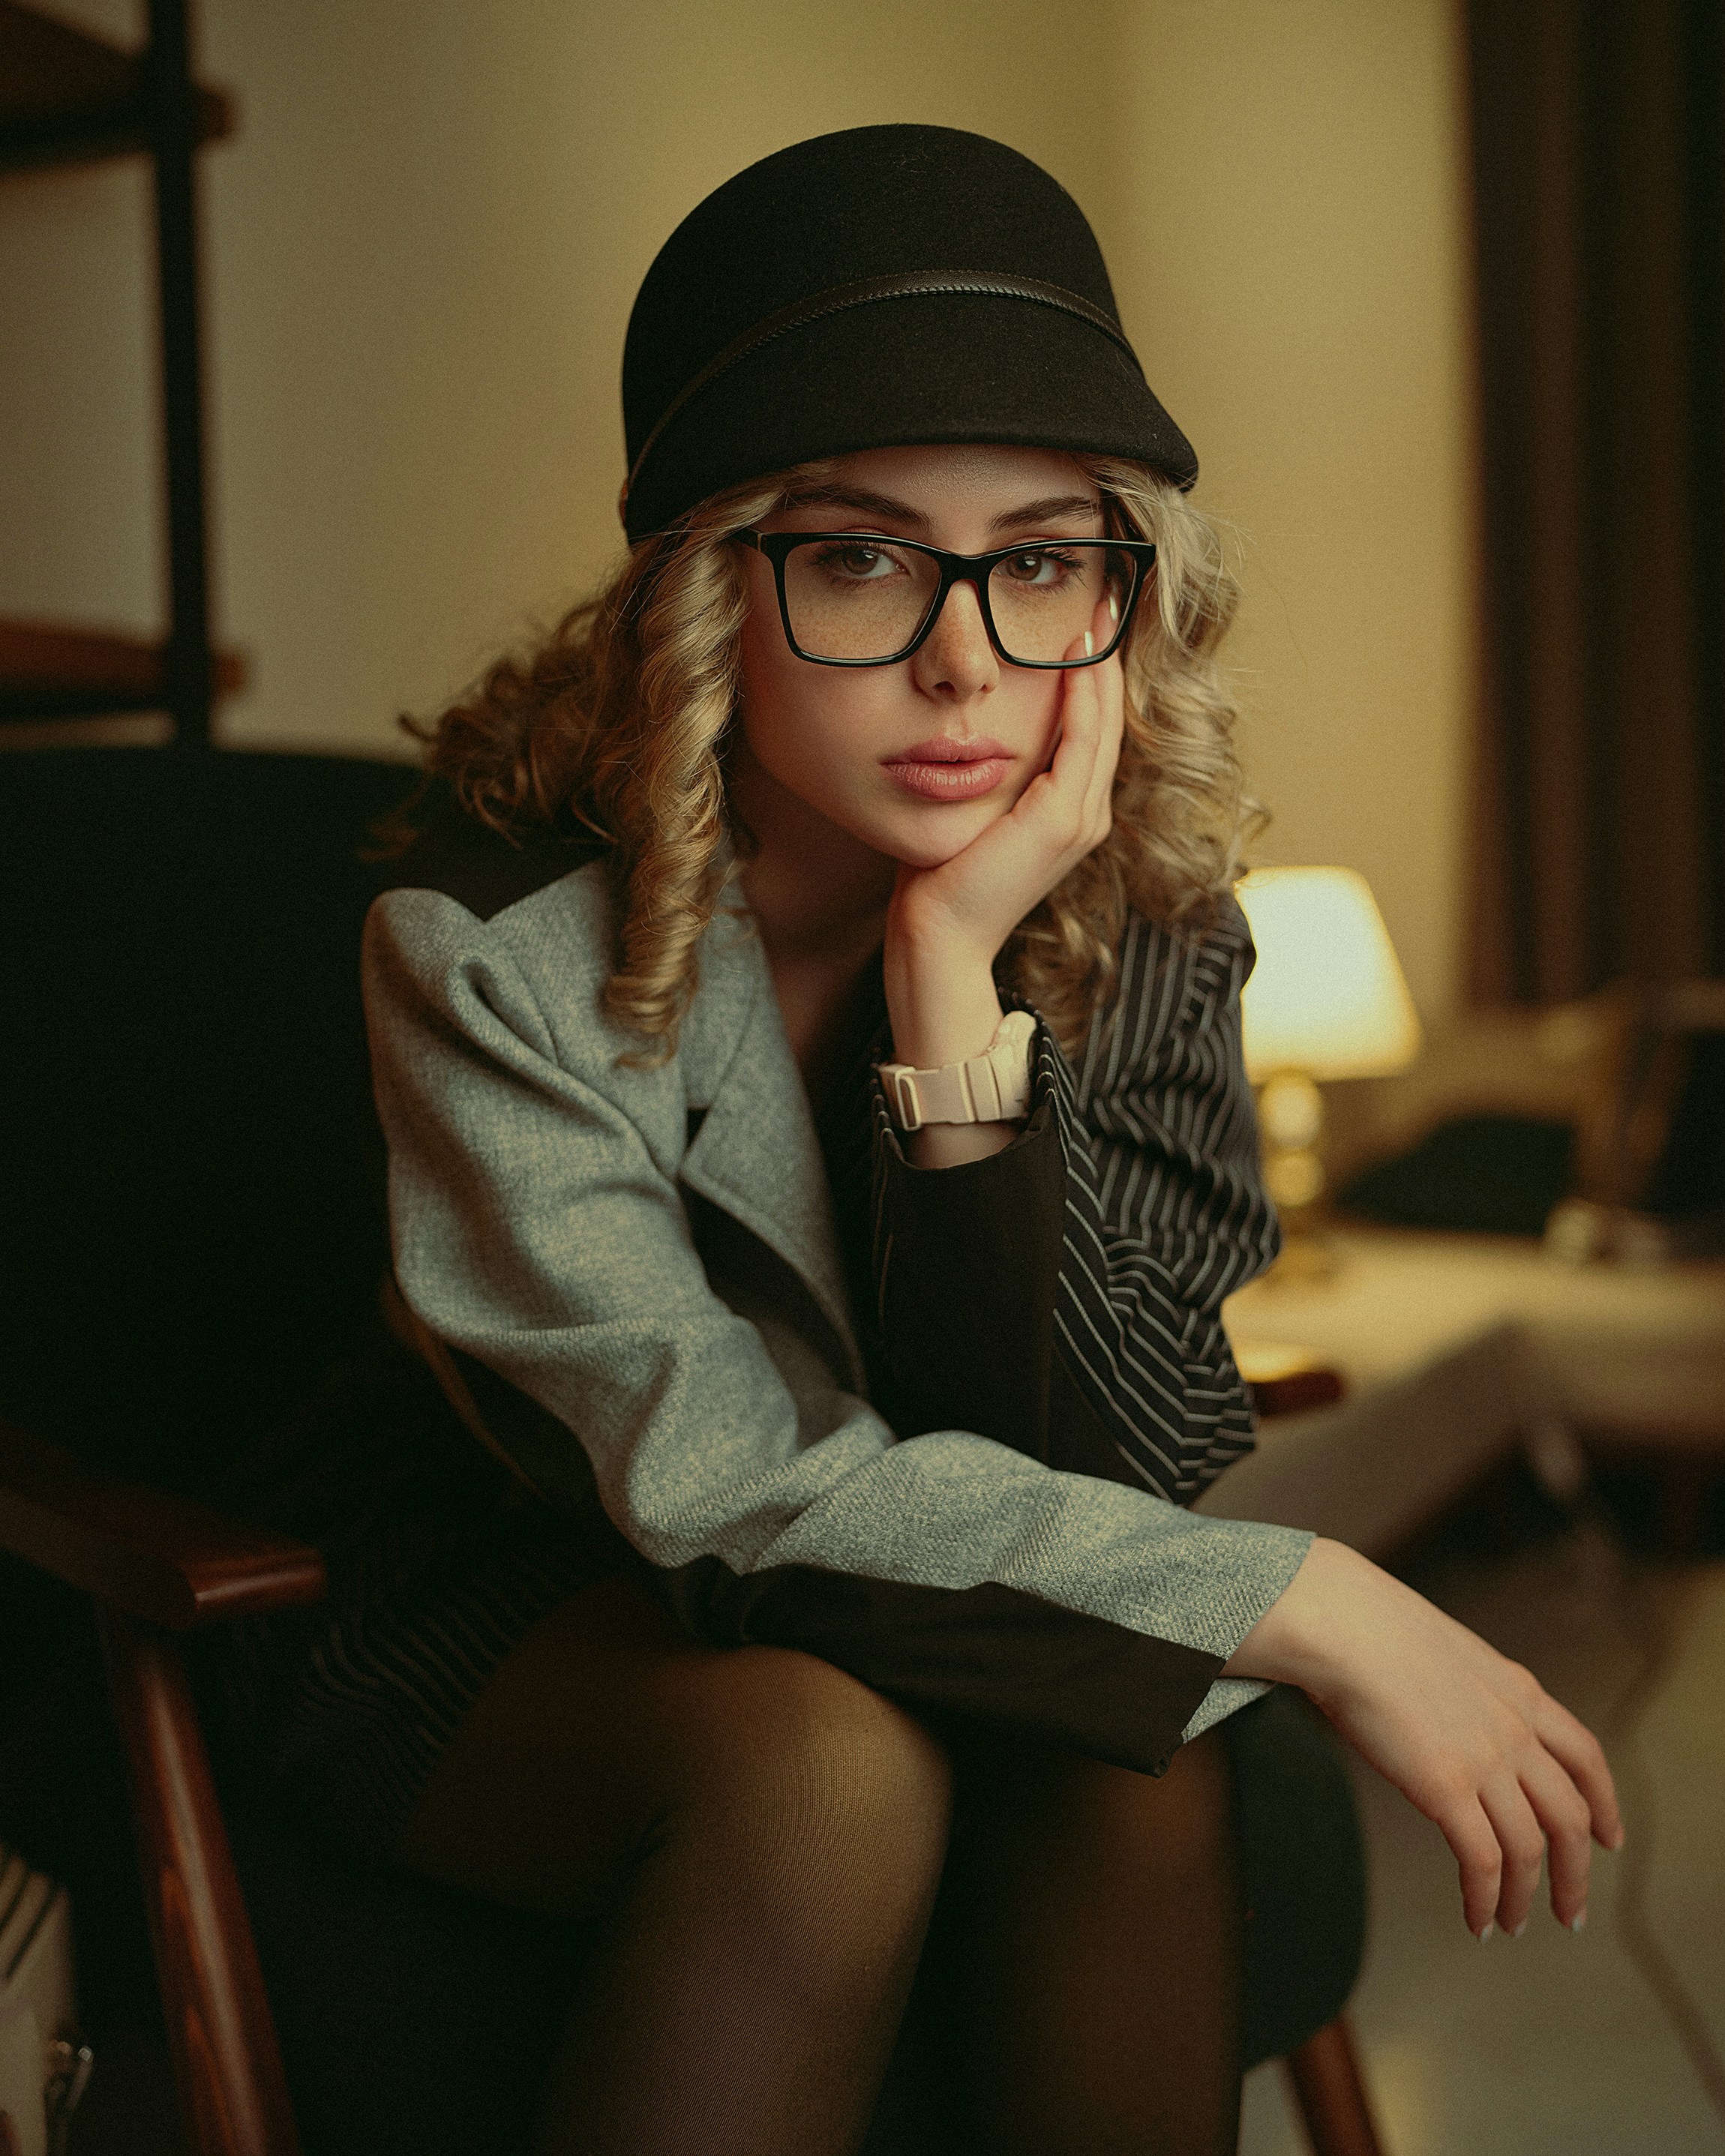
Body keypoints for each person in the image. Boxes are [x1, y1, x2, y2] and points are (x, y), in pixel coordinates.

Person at [221, 126, 1622, 2156]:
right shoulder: (491, 943)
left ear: (1120, 596)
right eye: (864, 555)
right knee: (830, 1767)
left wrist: (954, 994)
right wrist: (1308, 1590)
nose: (966, 654)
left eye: (1041, 557)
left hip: (912, 1581)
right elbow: (710, 1479)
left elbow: (1120, 1466)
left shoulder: (1144, 925)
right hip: (504, 1592)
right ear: (713, 584)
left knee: (1139, 1733)